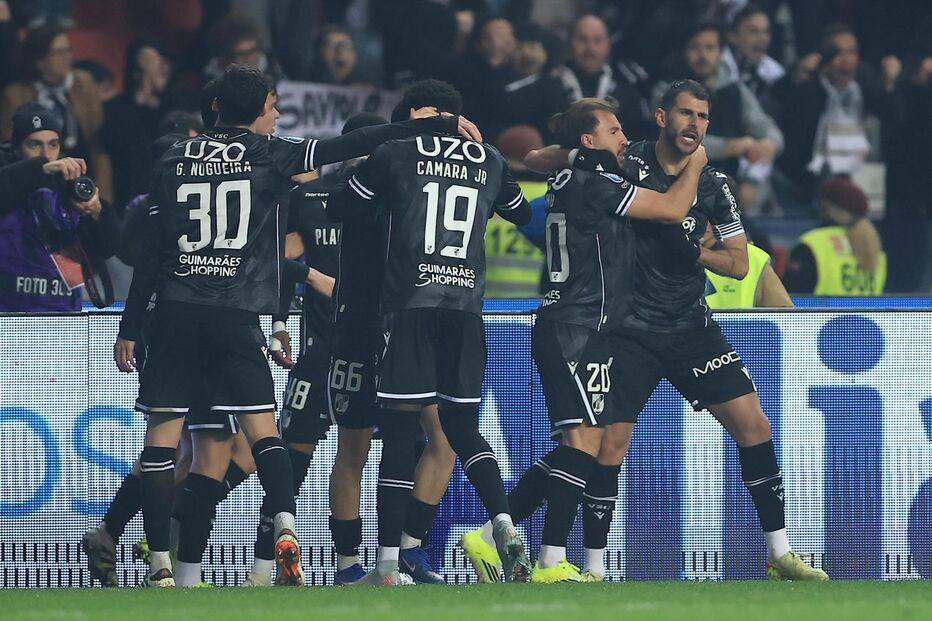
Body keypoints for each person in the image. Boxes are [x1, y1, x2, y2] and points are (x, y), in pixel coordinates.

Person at [119, 65, 483, 588]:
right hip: (238, 315)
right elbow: (353, 141)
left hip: (175, 312)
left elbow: (152, 253)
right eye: (273, 105)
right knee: (267, 437)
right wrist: (426, 128)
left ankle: (163, 568)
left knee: (161, 441)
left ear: (218, 107)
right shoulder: (274, 154)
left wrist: (131, 325)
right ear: (257, 109)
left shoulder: (174, 157)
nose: (278, 114)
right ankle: (285, 522)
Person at [521, 79, 829, 582]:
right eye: (685, 113)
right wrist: (566, 153)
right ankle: (592, 566)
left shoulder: (715, 185)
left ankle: (779, 552)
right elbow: (545, 157)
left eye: (703, 118)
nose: (694, 125)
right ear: (662, 117)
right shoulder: (627, 159)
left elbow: (735, 264)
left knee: (756, 427)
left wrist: (697, 252)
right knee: (606, 444)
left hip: (690, 326)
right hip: (627, 329)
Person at [461, 95, 707, 583]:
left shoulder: (572, 178)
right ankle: (549, 559)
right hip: (576, 327)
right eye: (614, 131)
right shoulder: (596, 186)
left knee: (584, 444)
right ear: (589, 140)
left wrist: (577, 154)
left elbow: (543, 158)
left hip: (579, 327)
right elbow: (672, 207)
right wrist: (696, 165)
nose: (623, 138)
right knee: (581, 442)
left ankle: (494, 534)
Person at [328, 79, 533, 585]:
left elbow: (343, 208)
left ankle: (394, 560)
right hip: (455, 311)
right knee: (449, 430)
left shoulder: (395, 155)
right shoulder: (488, 159)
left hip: (406, 309)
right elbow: (522, 213)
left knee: (405, 435)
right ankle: (500, 522)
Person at [0, 102, 116, 311]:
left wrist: (97, 211)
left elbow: (108, 247)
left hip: (62, 313)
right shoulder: (8, 176)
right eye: (35, 144)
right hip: (9, 314)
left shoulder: (69, 184)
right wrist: (41, 169)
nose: (46, 153)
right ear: (17, 148)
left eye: (53, 145)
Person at [0, 24, 110, 199]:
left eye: (68, 50)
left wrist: (102, 198)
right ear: (39, 60)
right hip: (36, 181)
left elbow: (99, 141)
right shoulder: (15, 94)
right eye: (59, 53)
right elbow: (10, 145)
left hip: (84, 171)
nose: (68, 58)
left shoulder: (84, 83)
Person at [507, 14, 652, 144]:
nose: (590, 48)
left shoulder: (627, 92)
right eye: (582, 39)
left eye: (597, 40)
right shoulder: (544, 87)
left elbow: (640, 139)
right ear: (569, 43)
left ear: (608, 45)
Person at [784, 176, 886, 295]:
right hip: (867, 314)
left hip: (821, 314)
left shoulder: (814, 243)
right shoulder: (874, 246)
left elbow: (790, 298)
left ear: (825, 207)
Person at [723, 4, 785, 117]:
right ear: (732, 36)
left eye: (766, 32)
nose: (763, 38)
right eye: (754, 31)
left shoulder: (776, 72)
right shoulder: (717, 65)